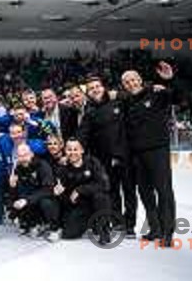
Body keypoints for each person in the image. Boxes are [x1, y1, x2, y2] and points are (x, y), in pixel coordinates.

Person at [121, 61, 176, 244]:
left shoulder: (156, 92)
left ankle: (167, 233)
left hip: (157, 150)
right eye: (127, 82)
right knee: (145, 194)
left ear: (140, 80)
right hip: (137, 155)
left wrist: (168, 81)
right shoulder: (126, 102)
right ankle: (155, 229)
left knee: (164, 191)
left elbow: (175, 97)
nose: (131, 84)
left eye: (134, 80)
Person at [79, 75, 137, 237]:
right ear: (88, 93)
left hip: (125, 156)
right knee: (112, 192)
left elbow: (134, 96)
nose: (95, 90)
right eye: (91, 88)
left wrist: (119, 94)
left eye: (97, 86)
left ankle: (130, 225)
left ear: (103, 87)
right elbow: (82, 135)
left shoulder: (117, 100)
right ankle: (118, 223)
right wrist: (74, 150)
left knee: (129, 192)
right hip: (104, 160)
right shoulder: (89, 111)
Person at [54, 138, 112, 242]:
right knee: (68, 235)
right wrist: (61, 194)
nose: (72, 153)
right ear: (65, 151)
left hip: (95, 202)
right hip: (79, 206)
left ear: (82, 150)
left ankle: (104, 230)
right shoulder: (62, 170)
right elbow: (66, 201)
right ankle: (90, 224)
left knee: (101, 197)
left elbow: (105, 184)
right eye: (69, 150)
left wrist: (80, 190)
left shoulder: (93, 162)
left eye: (75, 149)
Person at [8, 143, 60, 240]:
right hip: (31, 200)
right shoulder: (17, 169)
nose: (23, 158)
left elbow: (48, 189)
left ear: (31, 154)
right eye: (20, 156)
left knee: (46, 202)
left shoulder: (42, 165)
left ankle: (54, 229)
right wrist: (12, 187)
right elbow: (17, 193)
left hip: (46, 199)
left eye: (25, 155)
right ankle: (33, 224)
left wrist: (27, 200)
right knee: (18, 200)